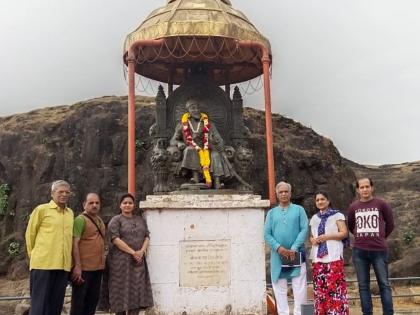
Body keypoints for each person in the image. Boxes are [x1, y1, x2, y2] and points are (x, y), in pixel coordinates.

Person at [25, 180, 74, 315]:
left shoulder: (70, 213)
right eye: (60, 192)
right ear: (52, 194)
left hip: (63, 266)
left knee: (55, 306)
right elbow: (30, 235)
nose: (64, 194)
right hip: (43, 265)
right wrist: (34, 256)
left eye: (67, 192)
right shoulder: (41, 210)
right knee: (39, 306)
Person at [100, 193, 153, 315]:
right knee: (120, 291)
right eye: (125, 203)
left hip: (138, 262)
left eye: (130, 203)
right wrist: (133, 252)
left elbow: (147, 236)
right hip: (120, 263)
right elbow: (115, 239)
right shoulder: (116, 220)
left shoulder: (140, 220)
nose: (127, 205)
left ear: (134, 205)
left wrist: (141, 251)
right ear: (120, 205)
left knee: (137, 291)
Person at [348, 177, 395, 315]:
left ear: (372, 188)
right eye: (361, 187)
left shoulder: (381, 204)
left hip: (379, 251)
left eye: (367, 186)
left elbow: (390, 224)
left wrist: (380, 237)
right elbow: (351, 226)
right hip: (360, 252)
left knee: (384, 285)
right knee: (363, 286)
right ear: (357, 190)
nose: (365, 189)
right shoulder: (353, 207)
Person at [264, 181, 309, 315]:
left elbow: (304, 229)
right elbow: (266, 233)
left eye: (286, 191)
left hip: (295, 253)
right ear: (277, 194)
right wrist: (278, 248)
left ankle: (299, 313)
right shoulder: (271, 213)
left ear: (290, 193)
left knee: (299, 285)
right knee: (279, 285)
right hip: (278, 255)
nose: (283, 194)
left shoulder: (299, 210)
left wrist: (294, 247)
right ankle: (283, 312)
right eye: (280, 192)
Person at [170, 98, 233, 189]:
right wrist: (179, 143)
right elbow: (172, 141)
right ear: (188, 111)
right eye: (193, 108)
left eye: (197, 108)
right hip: (192, 148)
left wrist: (214, 142)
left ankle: (217, 182)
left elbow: (220, 141)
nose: (196, 110)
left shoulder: (208, 124)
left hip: (208, 149)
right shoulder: (182, 124)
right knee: (190, 149)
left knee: (215, 155)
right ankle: (195, 179)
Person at [309, 191, 349, 315]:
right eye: (318, 200)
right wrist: (312, 240)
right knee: (320, 290)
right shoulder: (314, 218)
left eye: (322, 199)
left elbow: (344, 233)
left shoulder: (337, 215)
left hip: (333, 256)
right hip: (318, 259)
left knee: (335, 288)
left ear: (328, 201)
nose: (320, 202)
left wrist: (327, 236)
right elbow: (311, 235)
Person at [70, 193, 106, 315]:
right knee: (79, 304)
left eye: (97, 203)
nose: (94, 205)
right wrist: (77, 267)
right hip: (83, 270)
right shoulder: (80, 220)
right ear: (84, 204)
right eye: (91, 203)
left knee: (92, 302)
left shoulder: (99, 220)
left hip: (97, 268)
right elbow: (75, 243)